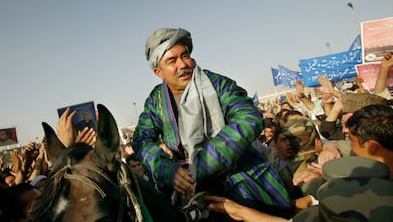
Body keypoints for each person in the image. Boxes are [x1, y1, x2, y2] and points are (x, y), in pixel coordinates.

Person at [132, 28, 292, 218]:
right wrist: (169, 171)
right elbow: (141, 140)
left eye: (185, 56)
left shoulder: (217, 84)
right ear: (159, 72)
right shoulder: (155, 102)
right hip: (189, 190)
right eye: (172, 61)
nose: (183, 64)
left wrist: (201, 167)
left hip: (242, 182)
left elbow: (248, 118)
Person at [205, 104, 393, 222]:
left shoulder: (376, 197)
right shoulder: (358, 170)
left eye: (350, 140)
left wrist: (242, 212)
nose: (347, 144)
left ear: (372, 146)